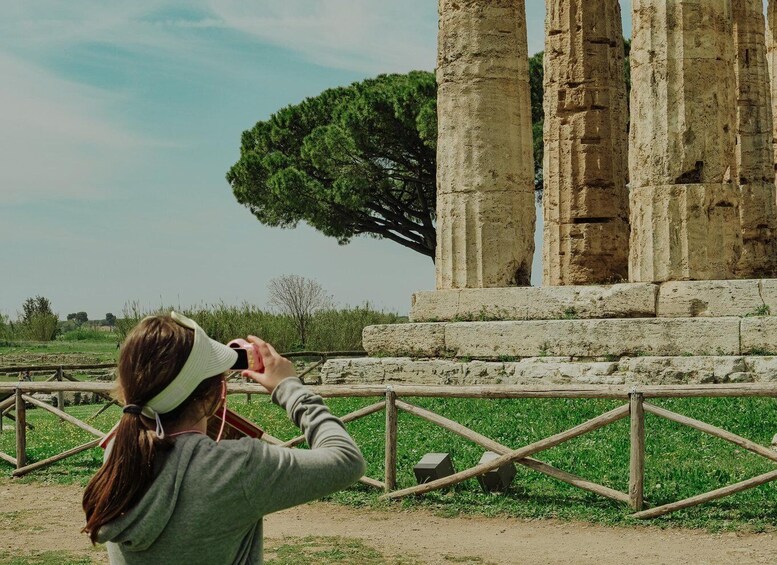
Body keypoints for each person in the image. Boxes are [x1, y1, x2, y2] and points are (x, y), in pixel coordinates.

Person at [82, 312, 366, 564]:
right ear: (212, 397)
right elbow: (346, 460)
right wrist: (289, 387)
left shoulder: (120, 452)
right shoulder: (237, 468)